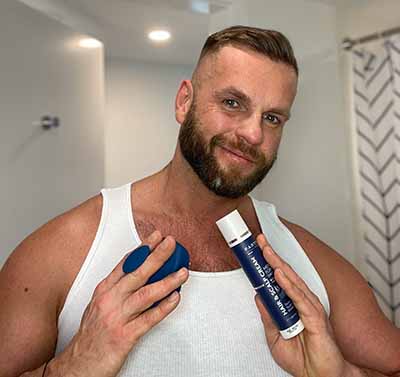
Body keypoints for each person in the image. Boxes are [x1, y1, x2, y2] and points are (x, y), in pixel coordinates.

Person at [0, 25, 399, 377]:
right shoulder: (62, 251)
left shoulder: (312, 265)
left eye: (272, 118)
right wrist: (72, 369)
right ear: (184, 102)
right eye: (232, 103)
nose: (254, 134)